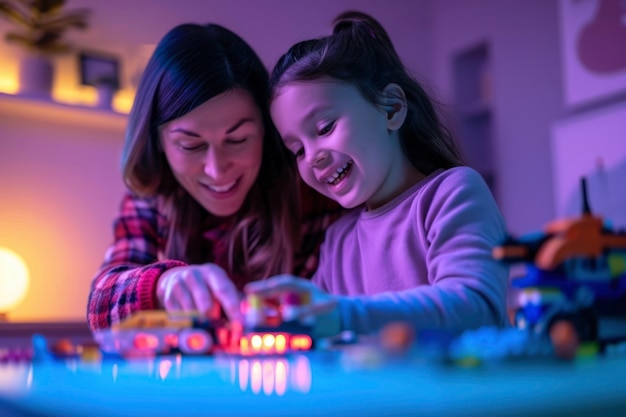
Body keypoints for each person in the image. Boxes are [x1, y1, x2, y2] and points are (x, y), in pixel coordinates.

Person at [245, 11, 510, 338]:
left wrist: (341, 315)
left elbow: (475, 306)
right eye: (297, 150)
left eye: (325, 128)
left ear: (392, 109)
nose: (312, 157)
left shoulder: (452, 192)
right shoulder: (337, 242)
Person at [87, 23, 342, 332]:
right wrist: (161, 284)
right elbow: (100, 308)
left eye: (237, 140)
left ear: (267, 130)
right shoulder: (154, 195)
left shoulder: (310, 190)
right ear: (159, 143)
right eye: (191, 145)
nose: (217, 169)